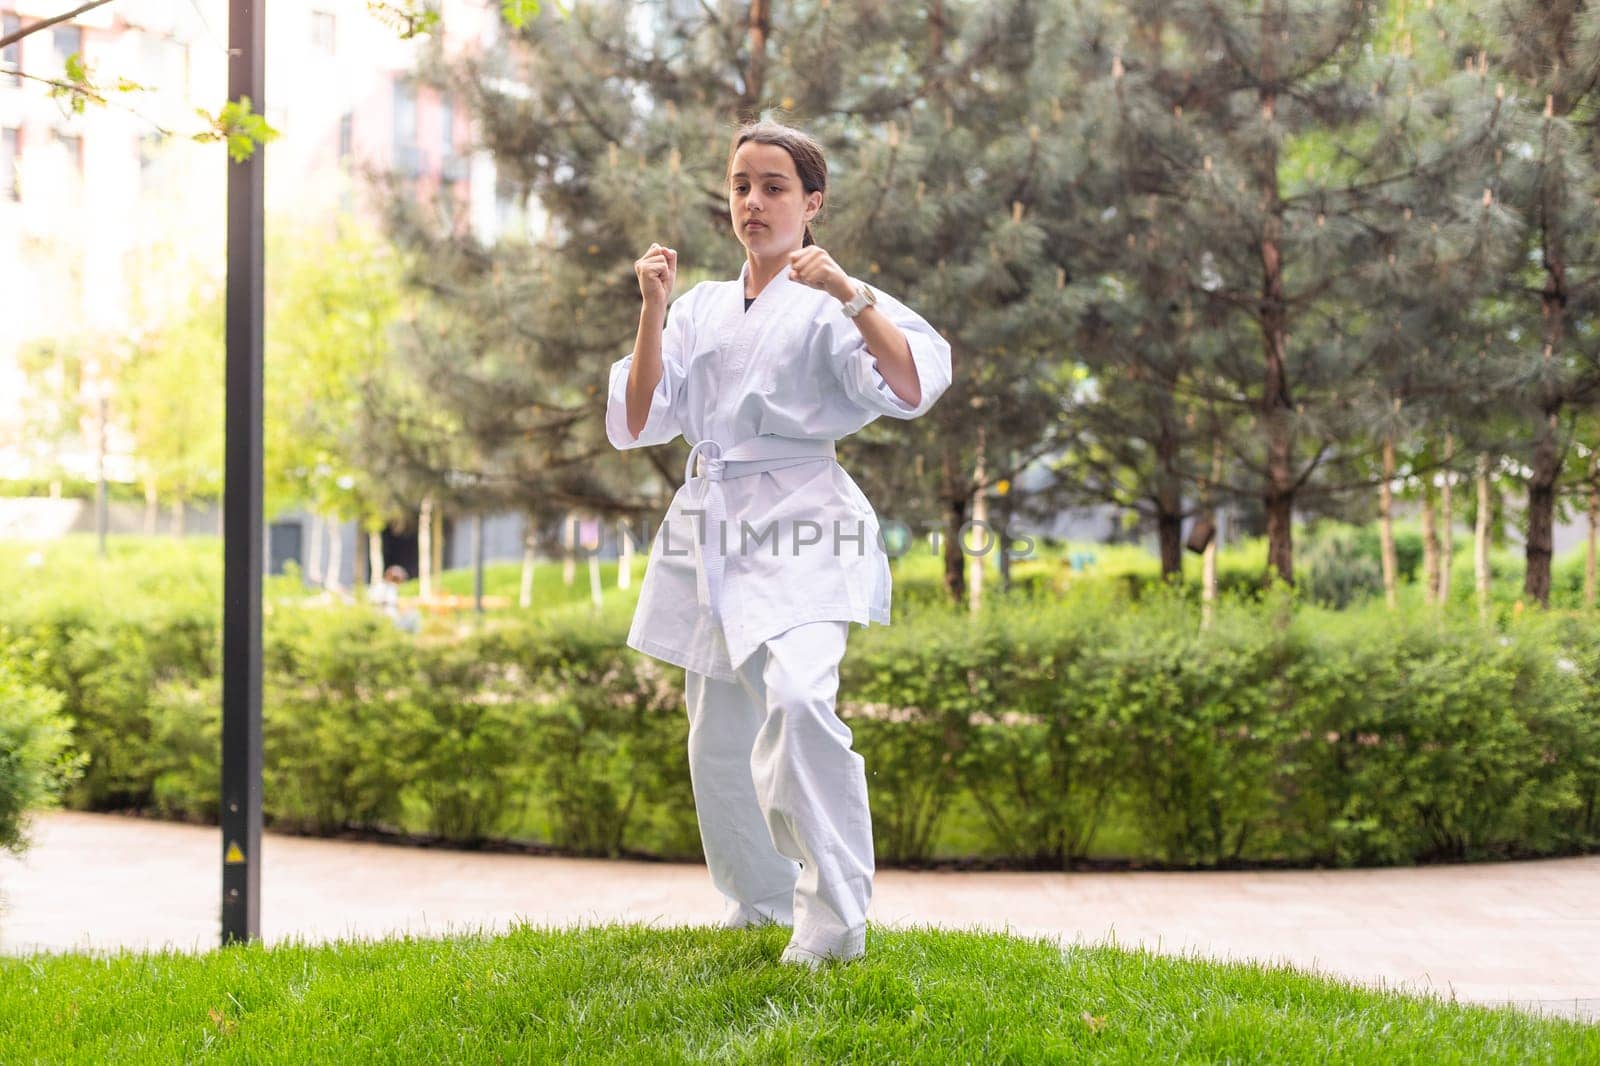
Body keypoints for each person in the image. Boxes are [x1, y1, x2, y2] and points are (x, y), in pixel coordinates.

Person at [604, 120, 952, 968]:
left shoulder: (832, 297)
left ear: (813, 202)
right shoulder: (699, 307)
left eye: (774, 186)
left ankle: (835, 921)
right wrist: (652, 311)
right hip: (713, 526)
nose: (754, 202)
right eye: (741, 186)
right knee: (717, 733)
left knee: (798, 701)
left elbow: (911, 384)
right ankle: (757, 905)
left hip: (806, 520)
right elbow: (642, 417)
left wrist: (850, 293)